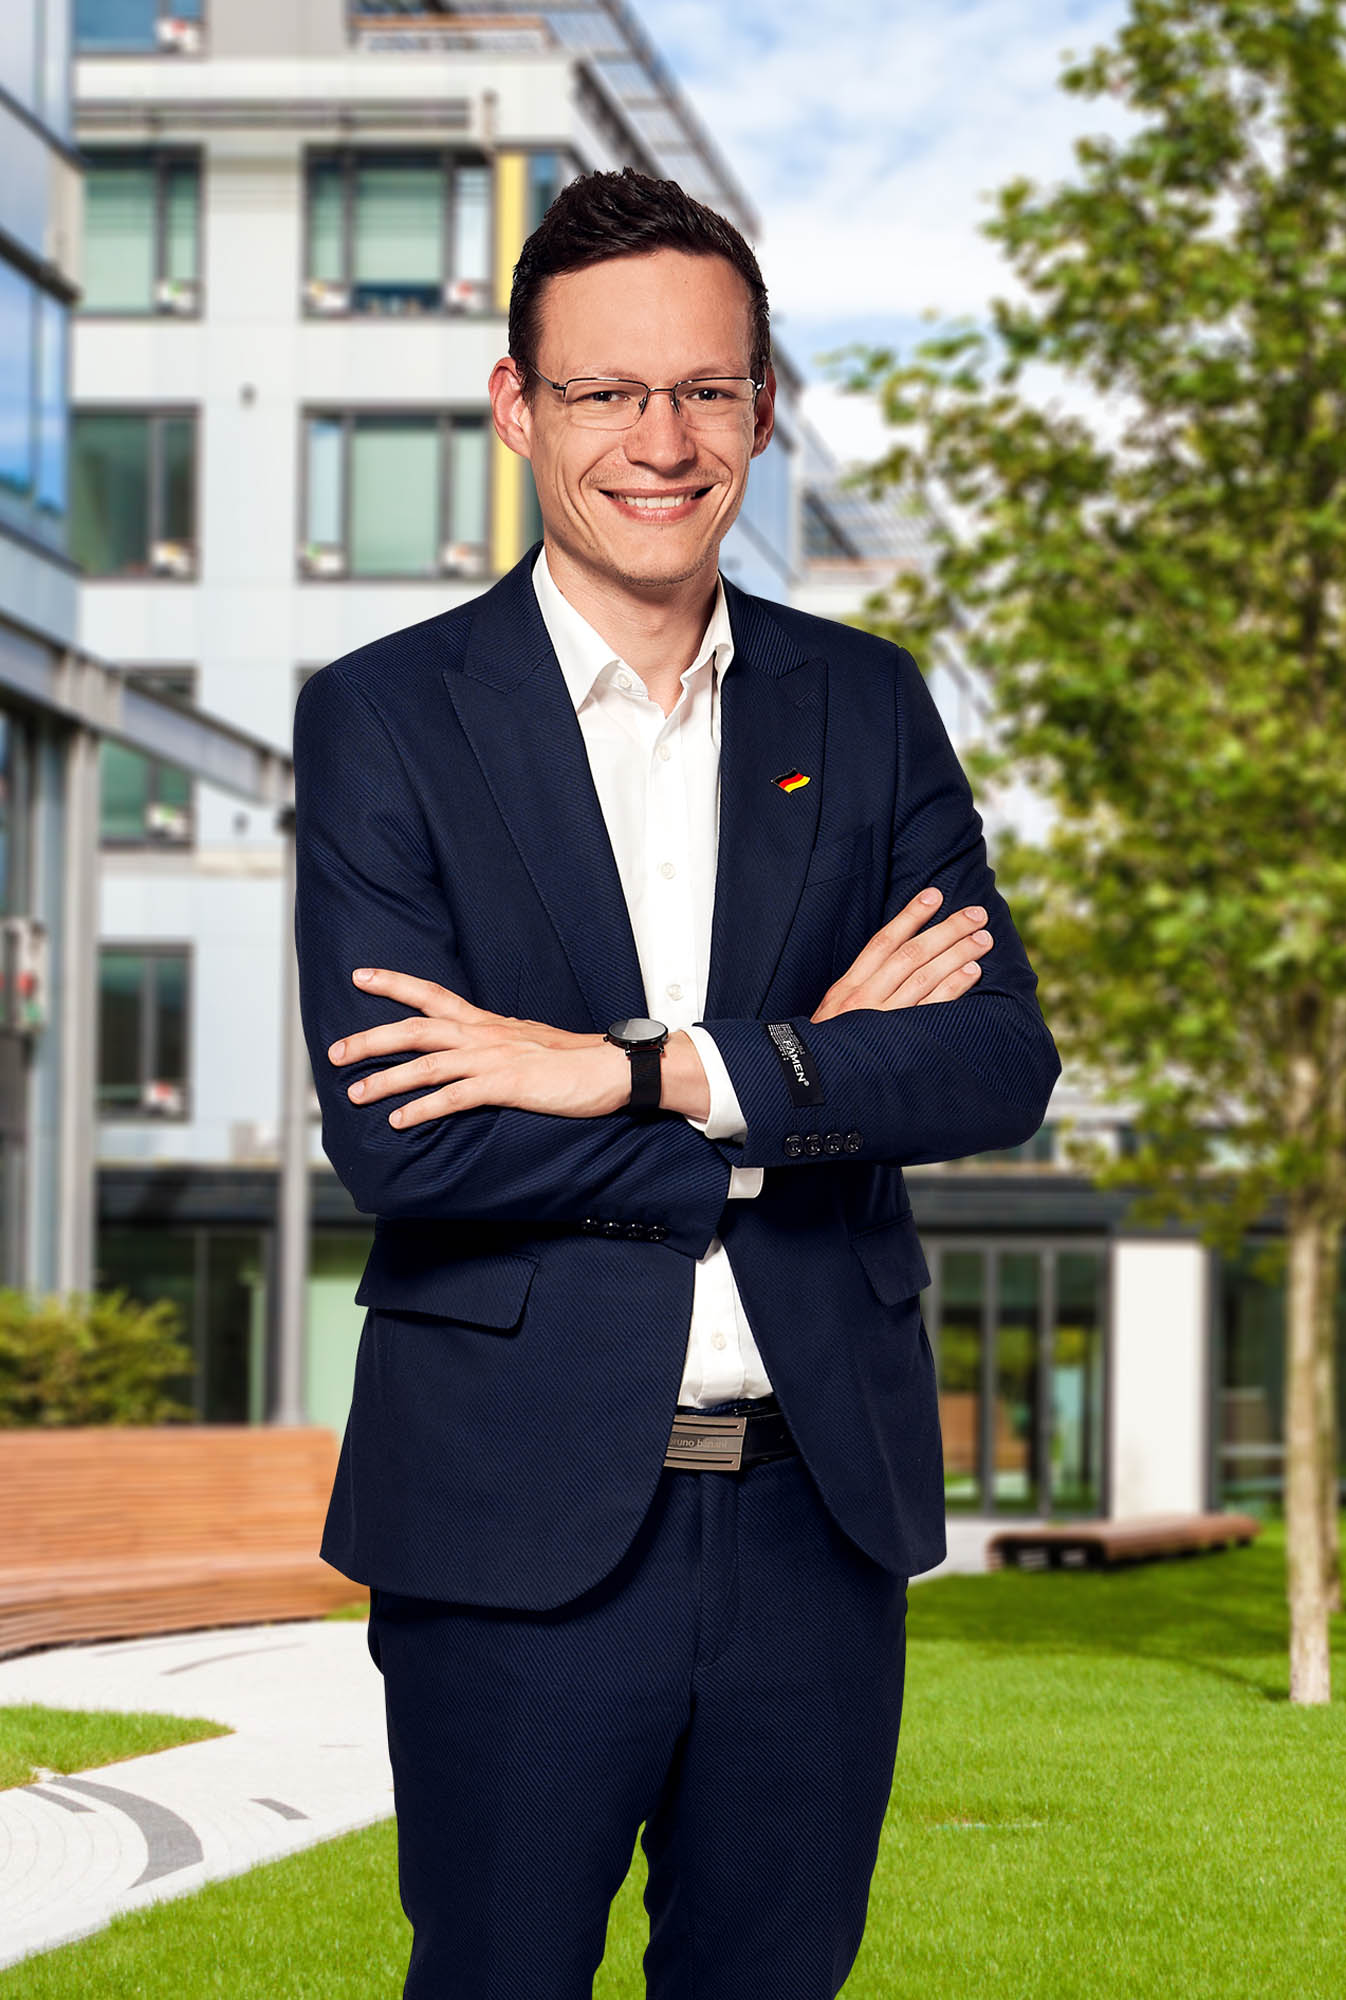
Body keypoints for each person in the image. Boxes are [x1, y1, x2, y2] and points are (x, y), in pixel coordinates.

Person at [292, 165, 1060, 2000]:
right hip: (512, 1519)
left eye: (707, 390)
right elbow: (410, 1148)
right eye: (606, 391)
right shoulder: (385, 716)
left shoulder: (863, 704)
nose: (661, 440)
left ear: (761, 410)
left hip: (816, 1511)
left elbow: (991, 1061)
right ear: (516, 407)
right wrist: (796, 1087)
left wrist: (624, 1070)